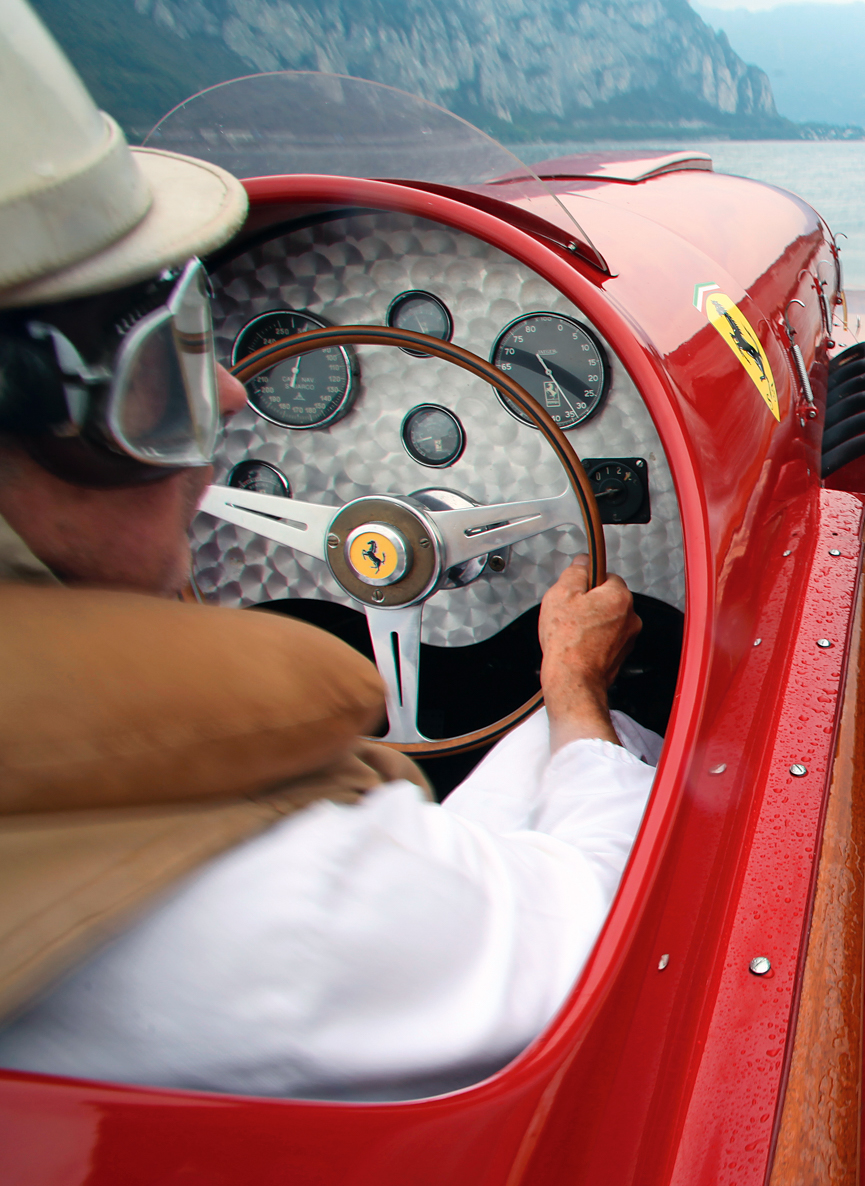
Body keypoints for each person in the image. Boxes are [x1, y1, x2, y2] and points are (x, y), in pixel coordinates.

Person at [0, 0, 656, 1099]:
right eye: (141, 375)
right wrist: (574, 689)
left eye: (182, 325)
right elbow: (580, 924)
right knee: (610, 739)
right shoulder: (256, 919)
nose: (220, 392)